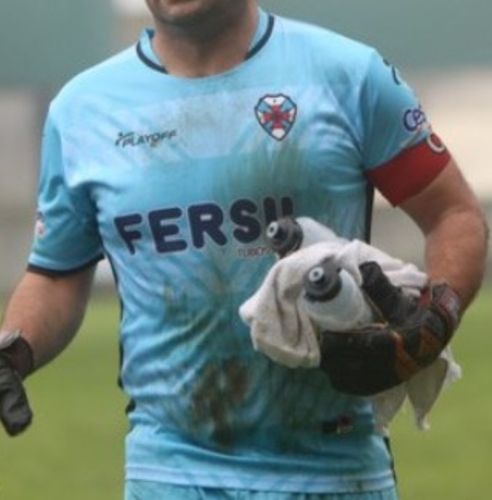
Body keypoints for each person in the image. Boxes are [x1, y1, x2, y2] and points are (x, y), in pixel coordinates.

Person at [0, 0, 488, 499]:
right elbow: (56, 273)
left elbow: (452, 215)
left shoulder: (349, 75)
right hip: (169, 472)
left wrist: (438, 314)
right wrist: (12, 352)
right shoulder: (82, 111)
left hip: (339, 471)